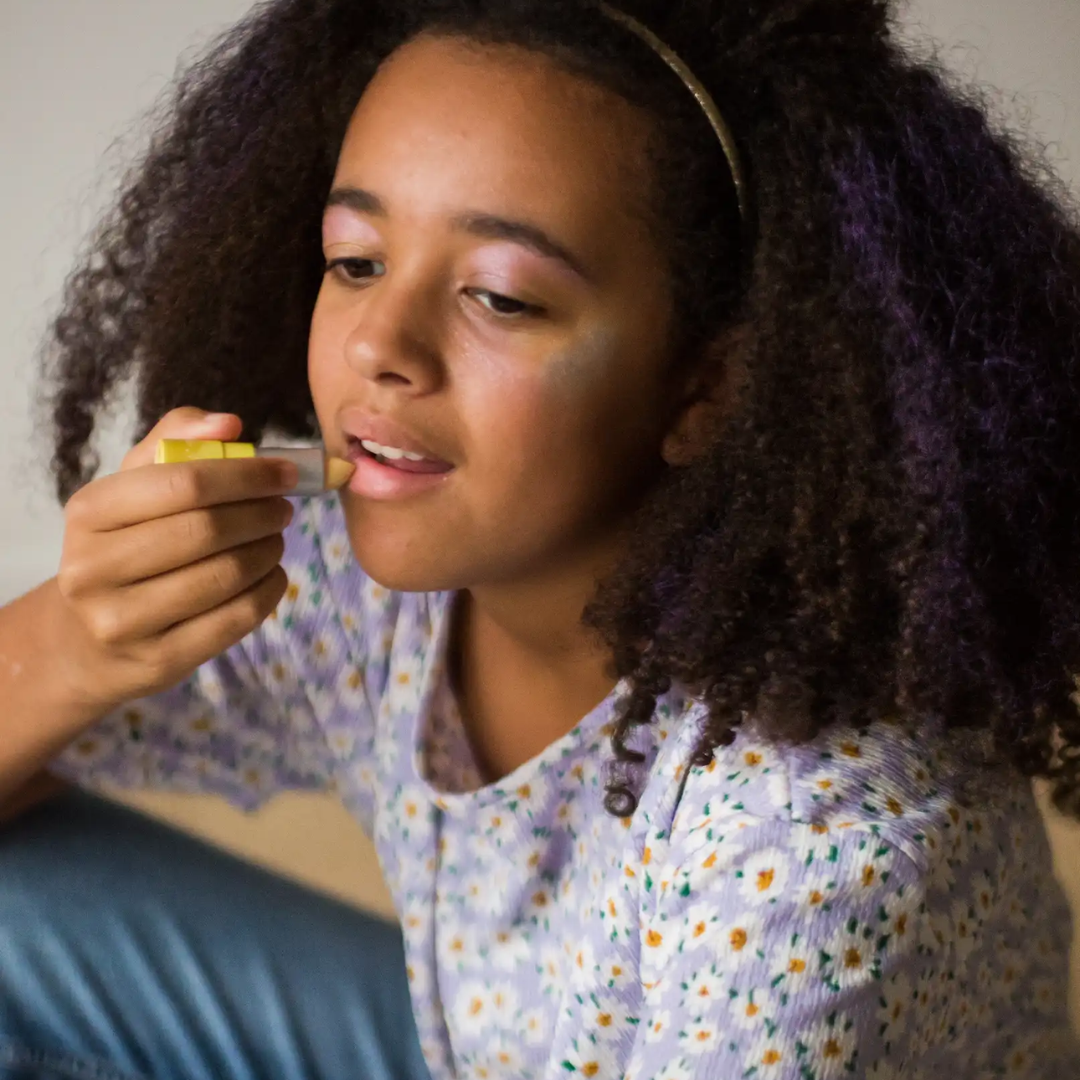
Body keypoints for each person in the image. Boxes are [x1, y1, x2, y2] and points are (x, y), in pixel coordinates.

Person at [1, 0, 1078, 1076]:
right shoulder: (357, 599)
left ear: (708, 384)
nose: (380, 343)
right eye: (356, 260)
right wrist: (75, 643)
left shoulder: (814, 855)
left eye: (502, 297)